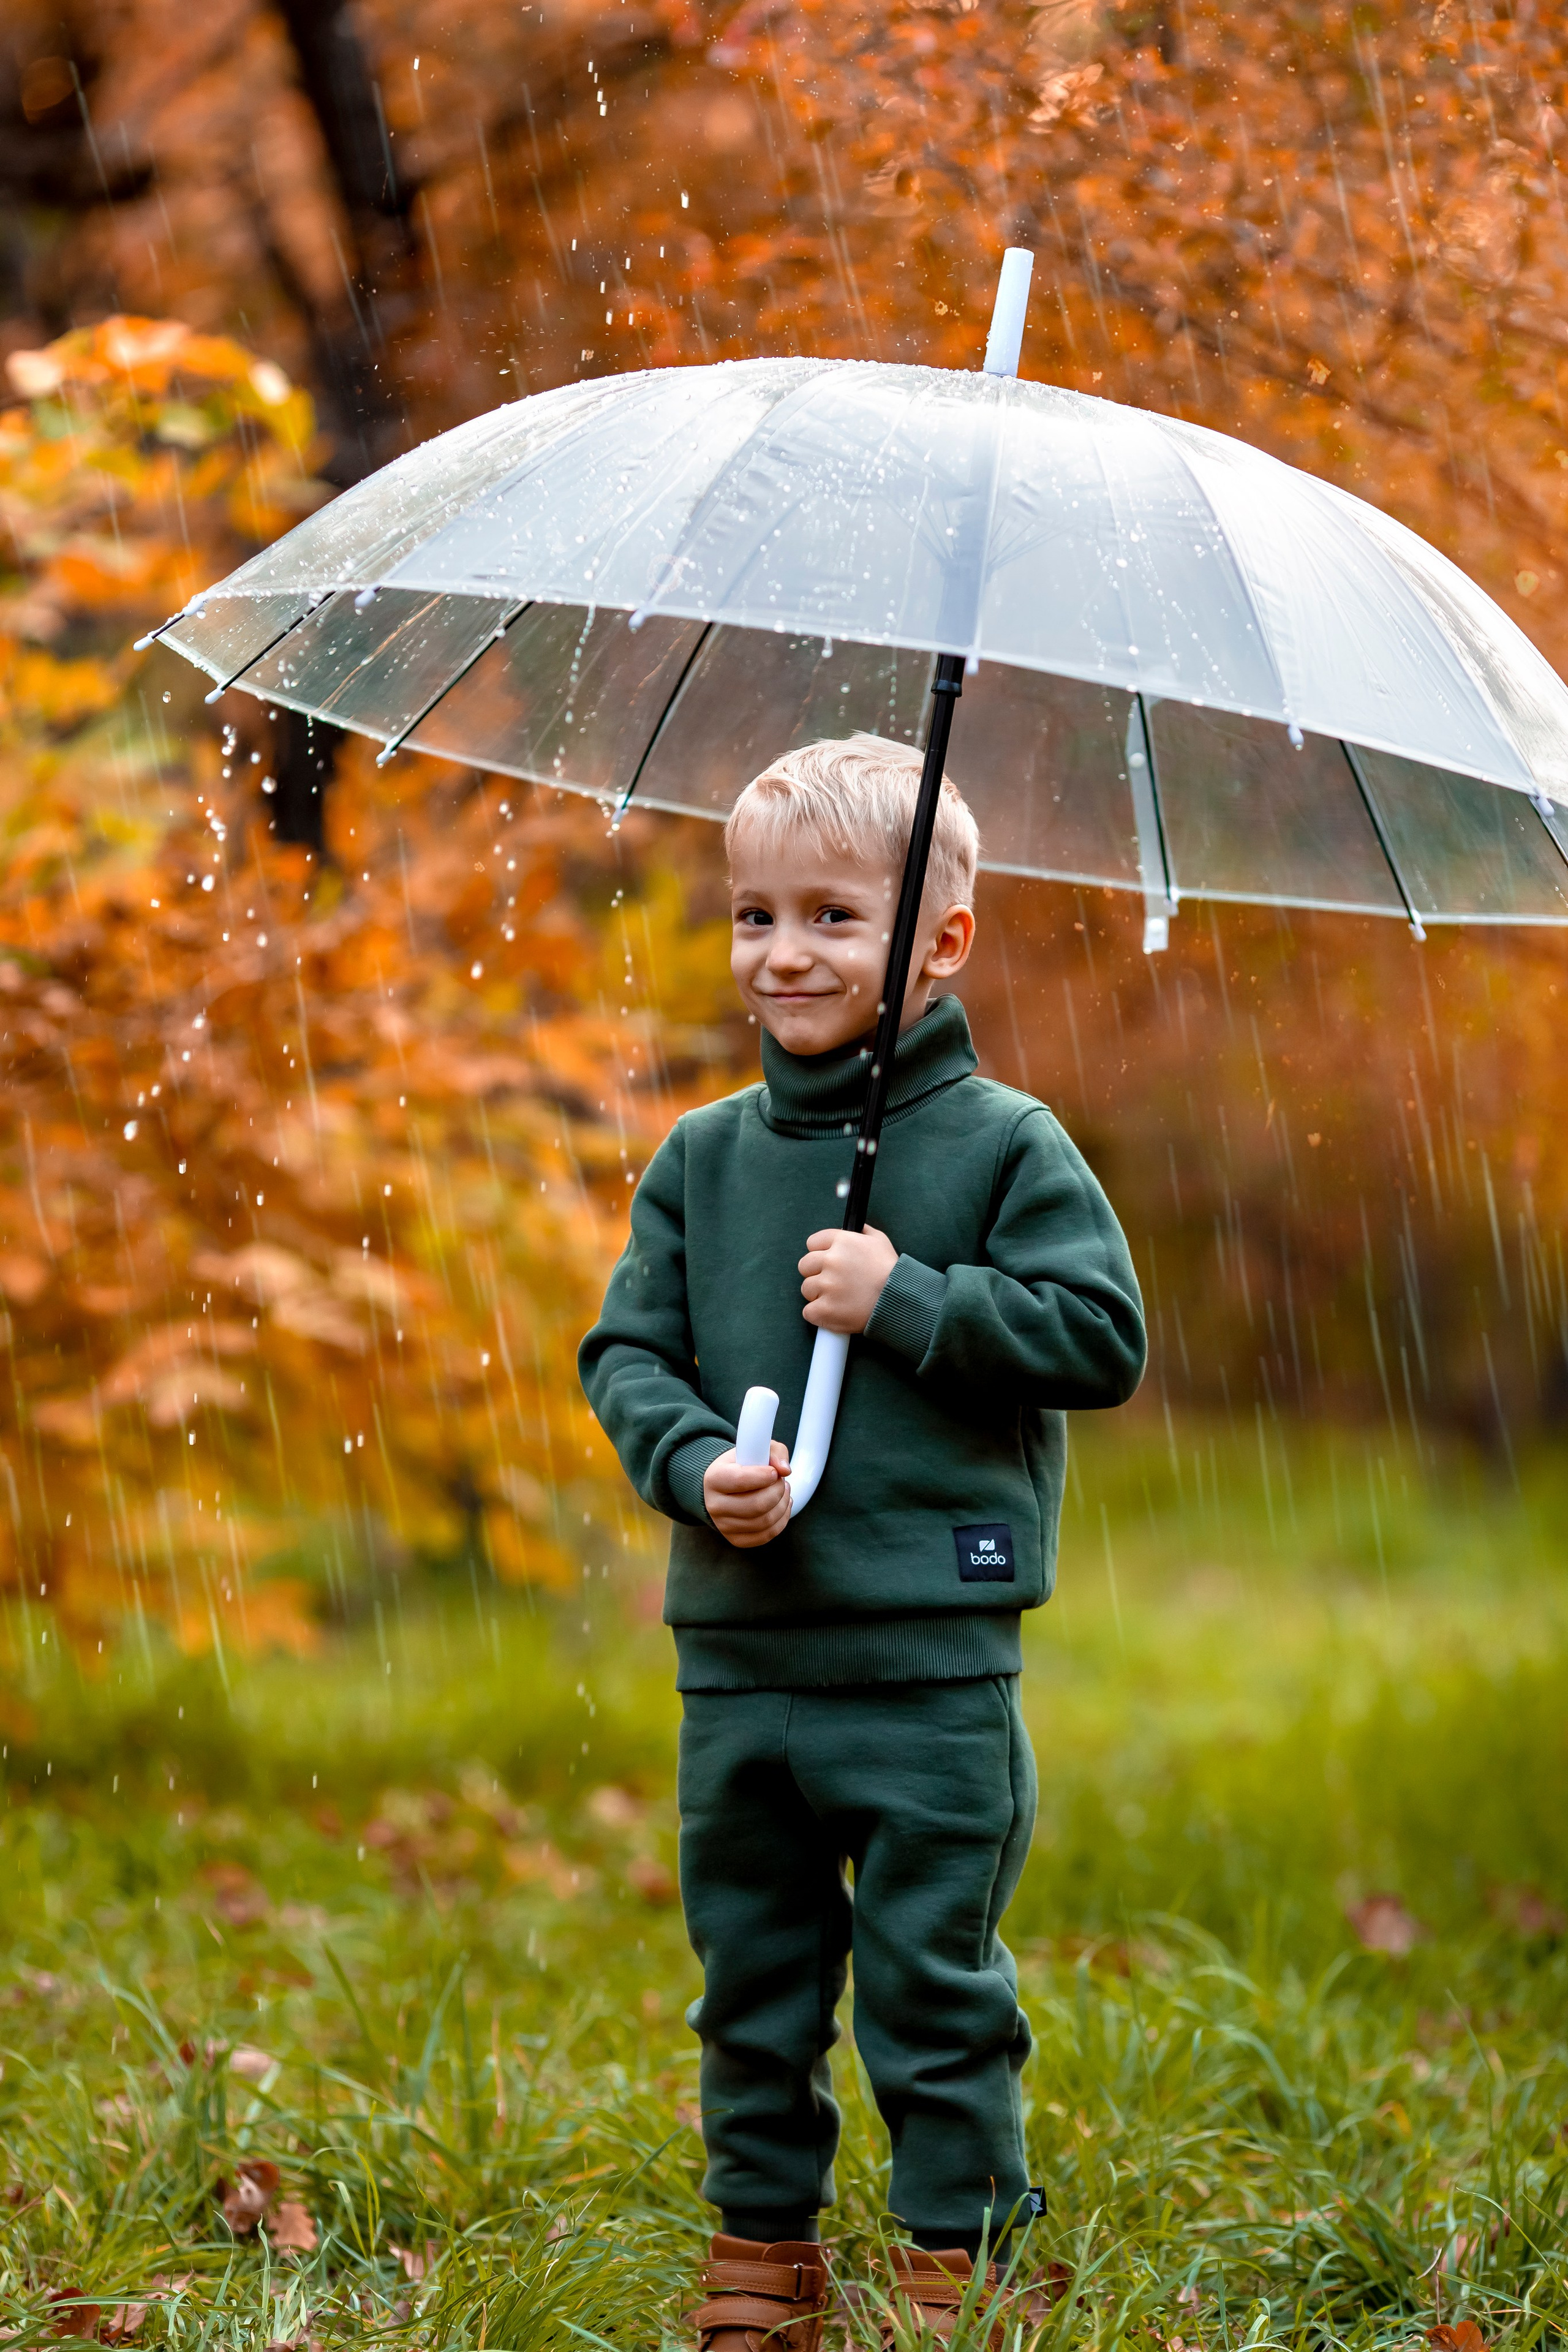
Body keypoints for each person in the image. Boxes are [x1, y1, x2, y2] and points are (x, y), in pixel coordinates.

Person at [579, 733, 1145, 2349]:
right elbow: (627, 1358)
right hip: (745, 1660)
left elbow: (1099, 1337)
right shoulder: (704, 1161)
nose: (784, 953)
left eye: (834, 916)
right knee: (753, 1984)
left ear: (940, 943)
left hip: (928, 1664)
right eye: (755, 915)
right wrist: (697, 1471)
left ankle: (958, 2266)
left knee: (930, 1990)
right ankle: (761, 2257)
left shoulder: (1001, 1147)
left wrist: (908, 1300)